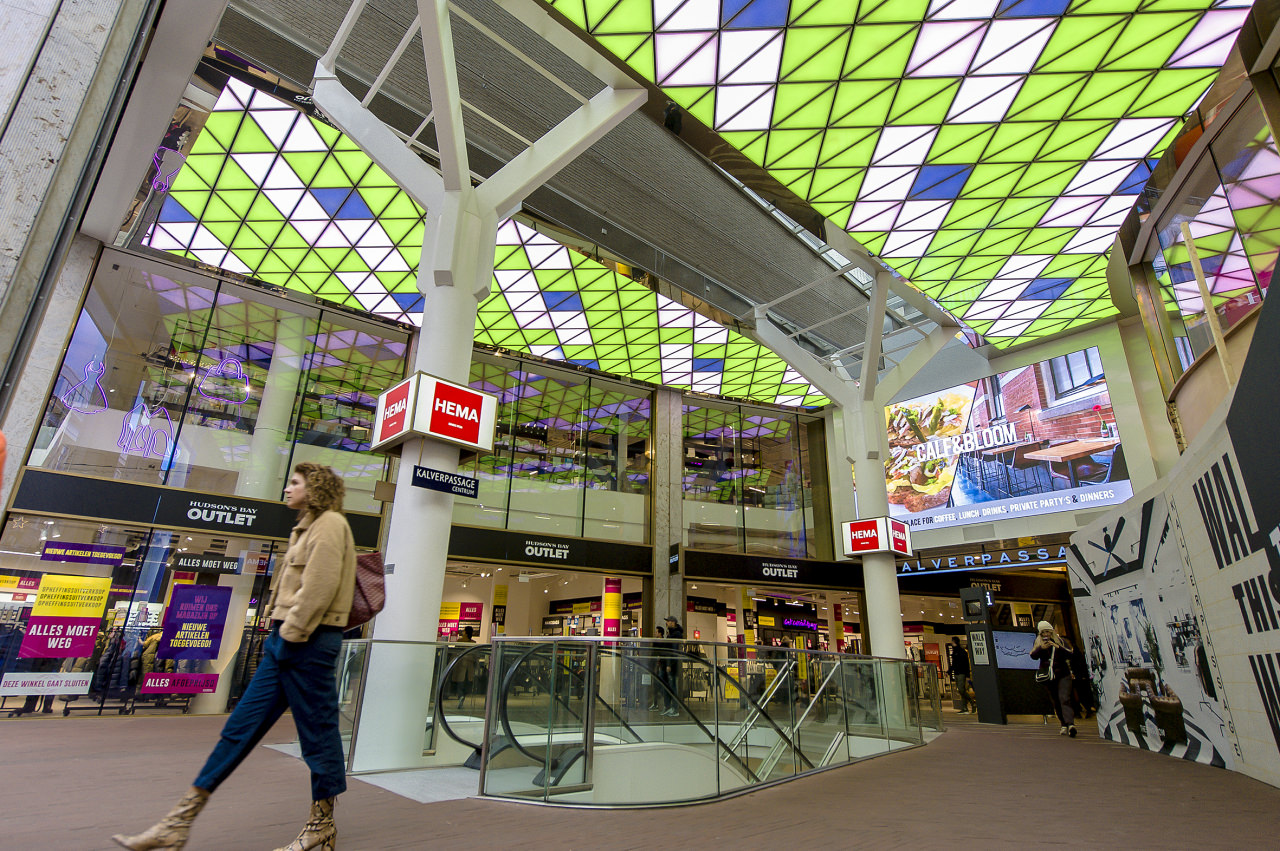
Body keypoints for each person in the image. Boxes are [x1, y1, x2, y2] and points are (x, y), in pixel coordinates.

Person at [112, 462, 357, 851]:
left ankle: (321, 826)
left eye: (294, 483)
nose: (287, 489)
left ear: (315, 488)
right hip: (285, 642)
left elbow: (320, 587)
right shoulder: (306, 526)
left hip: (306, 642)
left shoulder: (330, 524)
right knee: (239, 729)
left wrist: (290, 636)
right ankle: (178, 821)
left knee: (318, 736)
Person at [1030, 620, 1077, 738]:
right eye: (1043, 633)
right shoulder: (1038, 643)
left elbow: (1070, 655)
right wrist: (1041, 648)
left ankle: (1070, 724)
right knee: (1056, 700)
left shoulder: (1061, 641)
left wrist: (1058, 647)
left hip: (1063, 673)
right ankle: (1063, 724)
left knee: (1064, 698)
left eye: (1048, 632)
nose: (1046, 635)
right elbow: (1033, 656)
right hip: (1049, 676)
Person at [660, 616, 685, 717]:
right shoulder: (671, 633)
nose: (667, 623)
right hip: (666, 663)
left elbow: (673, 650)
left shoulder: (676, 634)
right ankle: (668, 707)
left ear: (673, 622)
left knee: (672, 686)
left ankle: (674, 708)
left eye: (669, 621)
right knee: (666, 685)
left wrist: (669, 664)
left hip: (671, 664)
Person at [950, 636, 973, 714]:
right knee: (961, 690)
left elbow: (966, 664)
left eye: (952, 641)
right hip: (957, 673)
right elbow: (953, 664)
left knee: (961, 689)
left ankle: (971, 702)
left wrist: (967, 675)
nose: (951, 643)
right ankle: (965, 707)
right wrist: (949, 671)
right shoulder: (955, 652)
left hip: (961, 673)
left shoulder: (962, 652)